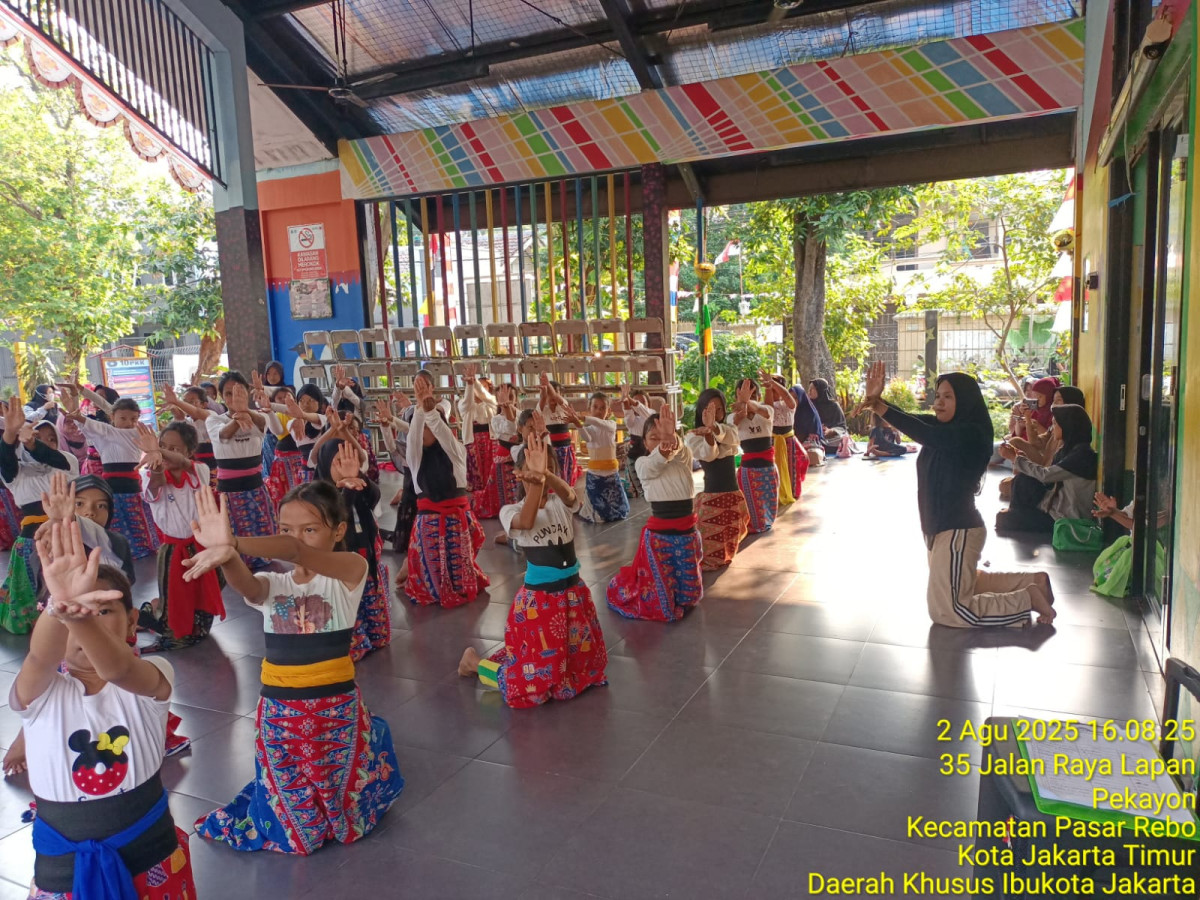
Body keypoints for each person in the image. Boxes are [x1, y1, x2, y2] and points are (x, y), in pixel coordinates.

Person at [184, 484, 403, 855]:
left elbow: (295, 551)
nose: (296, 538)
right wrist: (226, 556)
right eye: (286, 528)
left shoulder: (351, 570)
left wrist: (234, 542)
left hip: (335, 711)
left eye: (310, 528)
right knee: (297, 830)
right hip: (279, 711)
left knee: (342, 808)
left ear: (338, 530)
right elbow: (248, 586)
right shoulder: (275, 584)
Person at [13, 523, 197, 899]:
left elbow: (118, 669)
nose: (86, 621)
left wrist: (76, 617)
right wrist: (59, 607)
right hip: (63, 869)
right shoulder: (42, 692)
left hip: (152, 858)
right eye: (74, 614)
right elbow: (39, 657)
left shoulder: (153, 675)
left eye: (103, 610)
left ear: (131, 623)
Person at [859, 361, 1055, 627]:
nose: (938, 402)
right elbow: (915, 421)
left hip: (958, 529)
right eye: (938, 395)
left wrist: (879, 405)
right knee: (966, 584)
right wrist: (876, 400)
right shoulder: (945, 427)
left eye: (948, 397)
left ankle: (1026, 600)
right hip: (940, 528)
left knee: (949, 610)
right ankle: (1033, 583)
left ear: (964, 401)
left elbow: (924, 432)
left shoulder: (972, 433)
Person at [458, 436, 608, 707]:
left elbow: (572, 497)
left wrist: (546, 475)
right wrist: (536, 484)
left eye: (546, 467)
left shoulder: (558, 503)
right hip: (541, 605)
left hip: (573, 595)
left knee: (581, 670)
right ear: (518, 475)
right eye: (532, 468)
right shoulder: (510, 510)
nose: (539, 473)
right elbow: (526, 522)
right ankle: (474, 663)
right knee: (533, 687)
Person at [606, 405, 703, 622]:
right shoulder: (642, 463)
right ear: (645, 444)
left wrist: (671, 438)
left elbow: (674, 447)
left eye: (664, 436)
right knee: (662, 590)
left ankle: (682, 597)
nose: (660, 441)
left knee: (690, 593)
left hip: (687, 531)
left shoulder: (684, 455)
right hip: (659, 536)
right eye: (653, 437)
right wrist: (664, 447)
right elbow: (655, 465)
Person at [136, 422, 226, 652]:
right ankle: (166, 622)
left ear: (189, 451)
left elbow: (184, 464)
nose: (166, 452)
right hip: (173, 549)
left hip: (202, 544)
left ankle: (197, 627)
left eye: (174, 449)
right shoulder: (149, 475)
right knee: (174, 598)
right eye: (163, 445)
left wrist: (157, 450)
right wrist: (156, 457)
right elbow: (156, 481)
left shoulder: (200, 470)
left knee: (207, 587)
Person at [174, 372, 277, 570]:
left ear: (246, 394)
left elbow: (262, 424)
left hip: (256, 487)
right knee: (232, 536)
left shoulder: (259, 417)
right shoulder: (214, 420)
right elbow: (224, 434)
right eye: (228, 393)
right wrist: (238, 417)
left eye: (238, 392)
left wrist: (245, 412)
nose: (233, 398)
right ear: (221, 396)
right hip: (229, 491)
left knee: (263, 533)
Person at [403, 372, 488, 608]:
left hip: (456, 520)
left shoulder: (455, 450)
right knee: (432, 587)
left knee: (460, 582)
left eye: (433, 428)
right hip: (429, 520)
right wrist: (420, 409)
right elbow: (413, 436)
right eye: (424, 430)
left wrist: (430, 413)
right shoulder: (415, 456)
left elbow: (441, 432)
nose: (426, 433)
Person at [0, 401, 76, 634]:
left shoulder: (66, 463)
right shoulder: (16, 472)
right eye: (37, 437)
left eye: (50, 439)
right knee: (32, 592)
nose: (45, 443)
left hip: (66, 538)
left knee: (68, 591)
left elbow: (50, 457)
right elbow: (5, 459)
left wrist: (33, 443)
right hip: (31, 541)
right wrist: (11, 434)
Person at [314, 438, 391, 660]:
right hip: (339, 562)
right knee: (347, 600)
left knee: (368, 594)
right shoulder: (317, 493)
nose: (344, 466)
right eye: (337, 462)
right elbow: (338, 518)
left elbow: (373, 496)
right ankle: (355, 642)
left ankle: (373, 635)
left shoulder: (357, 481)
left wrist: (357, 477)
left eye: (349, 461)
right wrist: (346, 486)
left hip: (363, 552)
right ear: (325, 463)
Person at [63, 391, 161, 560]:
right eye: (123, 419)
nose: (129, 423)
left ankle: (140, 550)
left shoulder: (137, 433)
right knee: (113, 521)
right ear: (112, 416)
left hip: (132, 486)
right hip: (110, 487)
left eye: (133, 419)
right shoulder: (104, 433)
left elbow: (97, 418)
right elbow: (91, 422)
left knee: (136, 520)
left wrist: (80, 408)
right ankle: (117, 552)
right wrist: (79, 401)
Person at [995, 404, 1097, 536]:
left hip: (1066, 520)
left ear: (1067, 426)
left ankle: (1017, 515)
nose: (1052, 428)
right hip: (1054, 507)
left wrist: (1016, 458)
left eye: (1055, 424)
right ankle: (1018, 514)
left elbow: (1046, 476)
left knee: (1004, 520)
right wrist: (1020, 458)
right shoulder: (1070, 449)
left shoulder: (1082, 456)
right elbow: (1048, 480)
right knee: (1023, 480)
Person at [686, 388, 749, 571]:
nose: (714, 414)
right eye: (709, 409)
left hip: (733, 496)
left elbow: (733, 439)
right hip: (711, 498)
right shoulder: (692, 436)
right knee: (709, 548)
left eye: (719, 409)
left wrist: (713, 428)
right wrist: (707, 434)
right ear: (700, 411)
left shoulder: (728, 430)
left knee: (729, 541)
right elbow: (709, 455)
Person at [998, 385, 1085, 500]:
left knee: (1005, 486)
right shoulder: (1056, 425)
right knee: (1015, 443)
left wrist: (1016, 459)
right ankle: (1020, 482)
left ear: (1071, 403)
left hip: (1048, 479)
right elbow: (1036, 443)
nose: (1053, 405)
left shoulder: (1073, 434)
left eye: (1058, 401)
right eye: (1053, 401)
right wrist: (1028, 419)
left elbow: (1049, 475)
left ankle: (1020, 484)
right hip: (1044, 471)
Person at [262, 383, 325, 505]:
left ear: (319, 403)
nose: (306, 404)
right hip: (306, 473)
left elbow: (315, 419)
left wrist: (302, 416)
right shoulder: (292, 424)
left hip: (325, 472)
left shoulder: (324, 419)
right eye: (302, 400)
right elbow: (280, 427)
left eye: (311, 400)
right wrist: (270, 409)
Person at [572, 392, 629, 523]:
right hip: (595, 472)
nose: (598, 411)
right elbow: (587, 437)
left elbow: (600, 423)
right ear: (589, 409)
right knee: (595, 503)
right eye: (595, 407)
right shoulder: (590, 429)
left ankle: (612, 513)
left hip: (611, 472)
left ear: (608, 411)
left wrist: (583, 418)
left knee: (616, 502)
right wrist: (577, 423)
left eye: (602, 408)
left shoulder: (610, 425)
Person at [732, 378, 778, 534]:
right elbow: (736, 420)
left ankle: (763, 524)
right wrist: (743, 405)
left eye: (753, 395)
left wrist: (746, 401)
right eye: (742, 396)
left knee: (768, 502)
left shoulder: (767, 411)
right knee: (749, 504)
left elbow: (764, 411)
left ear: (758, 397)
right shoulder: (731, 417)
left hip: (767, 466)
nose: (748, 399)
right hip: (748, 469)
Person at [456, 364, 500, 519]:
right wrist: (470, 385)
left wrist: (473, 382)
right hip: (473, 441)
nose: (480, 389)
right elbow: (468, 403)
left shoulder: (492, 401)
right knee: (476, 474)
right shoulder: (463, 403)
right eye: (478, 386)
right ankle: (477, 505)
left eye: (484, 387)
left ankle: (491, 503)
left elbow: (485, 396)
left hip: (490, 440)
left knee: (490, 472)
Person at [487, 383, 522, 535]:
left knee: (521, 484)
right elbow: (510, 428)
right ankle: (506, 514)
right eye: (503, 397)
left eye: (510, 397)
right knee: (503, 487)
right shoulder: (495, 419)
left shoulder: (522, 415)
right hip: (504, 452)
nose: (507, 400)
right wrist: (507, 408)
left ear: (516, 399)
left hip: (520, 452)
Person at [766, 373, 805, 504]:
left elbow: (786, 395)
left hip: (788, 441)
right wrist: (768, 387)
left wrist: (772, 382)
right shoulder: (766, 405)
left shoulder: (789, 403)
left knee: (790, 467)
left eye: (775, 387)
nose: (773, 391)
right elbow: (769, 409)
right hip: (772, 440)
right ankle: (775, 493)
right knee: (773, 469)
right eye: (770, 388)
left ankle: (792, 491)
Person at [538, 376, 582, 486]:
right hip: (550, 450)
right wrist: (544, 394)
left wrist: (548, 386)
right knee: (553, 478)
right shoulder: (543, 408)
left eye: (555, 392)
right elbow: (542, 402)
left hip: (565, 449)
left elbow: (557, 398)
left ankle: (566, 499)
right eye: (548, 393)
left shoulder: (563, 406)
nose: (552, 396)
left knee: (566, 477)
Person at [619, 386, 654, 499]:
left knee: (652, 486)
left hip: (651, 456)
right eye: (635, 401)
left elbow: (643, 411)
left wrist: (632, 400)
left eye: (643, 401)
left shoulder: (651, 414)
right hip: (634, 457)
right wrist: (626, 401)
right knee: (640, 490)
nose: (637, 404)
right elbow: (628, 415)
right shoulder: (631, 421)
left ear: (648, 403)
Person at [808, 378, 848, 455]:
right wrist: (817, 428)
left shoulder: (834, 406)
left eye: (812, 389)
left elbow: (842, 426)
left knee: (842, 439)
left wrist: (831, 431)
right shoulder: (808, 405)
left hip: (832, 438)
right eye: (809, 389)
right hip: (814, 436)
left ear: (820, 390)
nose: (809, 391)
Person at [791, 385, 825, 467]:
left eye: (795, 398)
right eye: (790, 397)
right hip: (791, 443)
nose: (792, 400)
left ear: (801, 397)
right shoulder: (786, 411)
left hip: (809, 443)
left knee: (812, 455)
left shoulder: (810, 412)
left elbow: (813, 436)